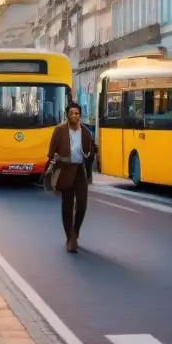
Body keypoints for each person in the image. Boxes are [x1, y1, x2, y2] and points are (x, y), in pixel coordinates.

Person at [47, 103, 96, 253]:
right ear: (67, 115)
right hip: (66, 170)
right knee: (67, 206)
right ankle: (70, 238)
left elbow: (90, 154)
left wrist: (89, 172)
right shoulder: (59, 131)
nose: (75, 116)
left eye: (77, 113)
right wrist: (53, 169)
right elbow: (51, 153)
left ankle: (75, 232)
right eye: (72, 113)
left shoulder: (86, 133)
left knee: (82, 206)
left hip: (80, 171)